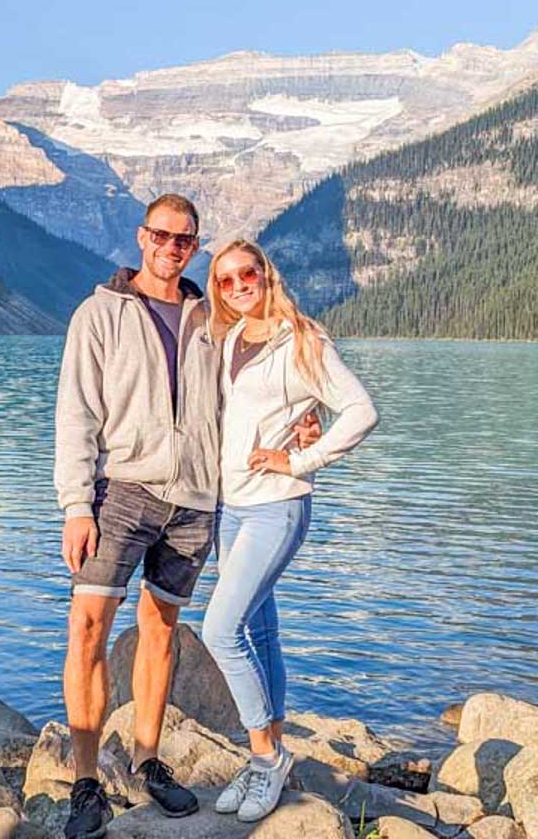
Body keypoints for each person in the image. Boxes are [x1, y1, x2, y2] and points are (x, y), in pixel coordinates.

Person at [201, 238, 379, 824]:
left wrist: (300, 460)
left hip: (278, 504)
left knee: (220, 630)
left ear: (266, 274)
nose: (236, 287)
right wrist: (298, 424)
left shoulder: (302, 338)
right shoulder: (229, 338)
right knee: (260, 631)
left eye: (245, 275)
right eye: (224, 281)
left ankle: (265, 757)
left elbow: (360, 410)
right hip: (233, 507)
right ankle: (271, 750)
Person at [55, 193, 216, 839]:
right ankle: (87, 781)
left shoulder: (212, 319)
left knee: (160, 630)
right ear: (141, 238)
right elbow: (76, 414)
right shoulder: (100, 313)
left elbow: (260, 381)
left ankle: (148, 760)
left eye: (184, 240)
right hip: (120, 491)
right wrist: (75, 505)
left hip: (194, 499)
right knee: (89, 624)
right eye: (162, 236)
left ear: (194, 247)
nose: (171, 248)